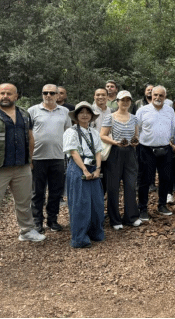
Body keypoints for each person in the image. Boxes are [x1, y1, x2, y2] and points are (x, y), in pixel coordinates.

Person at [0, 84, 46, 256]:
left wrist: (30, 160)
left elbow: (30, 137)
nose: (5, 96)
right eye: (2, 93)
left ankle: (26, 231)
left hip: (22, 166)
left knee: (24, 201)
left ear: (16, 96)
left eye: (9, 93)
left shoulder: (24, 114)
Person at [28, 84, 72, 233]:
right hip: (37, 157)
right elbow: (27, 134)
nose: (48, 95)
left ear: (58, 95)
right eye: (45, 92)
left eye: (52, 93)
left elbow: (68, 133)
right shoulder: (33, 111)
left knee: (55, 191)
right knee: (37, 192)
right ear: (42, 94)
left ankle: (52, 220)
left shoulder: (64, 112)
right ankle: (37, 221)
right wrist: (29, 157)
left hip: (58, 157)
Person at [63, 102, 104, 249]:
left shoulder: (94, 132)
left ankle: (95, 233)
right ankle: (80, 238)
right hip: (78, 167)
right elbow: (73, 152)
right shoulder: (71, 132)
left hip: (93, 166)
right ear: (76, 116)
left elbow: (98, 151)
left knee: (96, 202)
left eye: (88, 112)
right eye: (81, 112)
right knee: (80, 203)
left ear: (92, 116)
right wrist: (84, 170)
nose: (85, 115)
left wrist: (98, 169)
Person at [100, 91, 141, 230]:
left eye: (128, 100)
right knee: (113, 186)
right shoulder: (110, 117)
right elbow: (102, 135)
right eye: (122, 100)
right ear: (117, 101)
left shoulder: (134, 118)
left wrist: (135, 141)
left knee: (130, 184)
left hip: (130, 153)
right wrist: (115, 142)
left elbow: (136, 135)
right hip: (115, 152)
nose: (125, 102)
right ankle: (115, 219)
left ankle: (131, 217)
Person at [136, 86, 175, 220]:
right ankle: (142, 208)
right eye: (155, 95)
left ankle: (162, 205)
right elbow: (137, 129)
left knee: (165, 178)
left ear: (165, 97)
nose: (158, 98)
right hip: (146, 149)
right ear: (151, 95)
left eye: (161, 95)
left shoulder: (170, 111)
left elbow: (173, 128)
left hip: (165, 149)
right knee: (145, 180)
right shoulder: (142, 111)